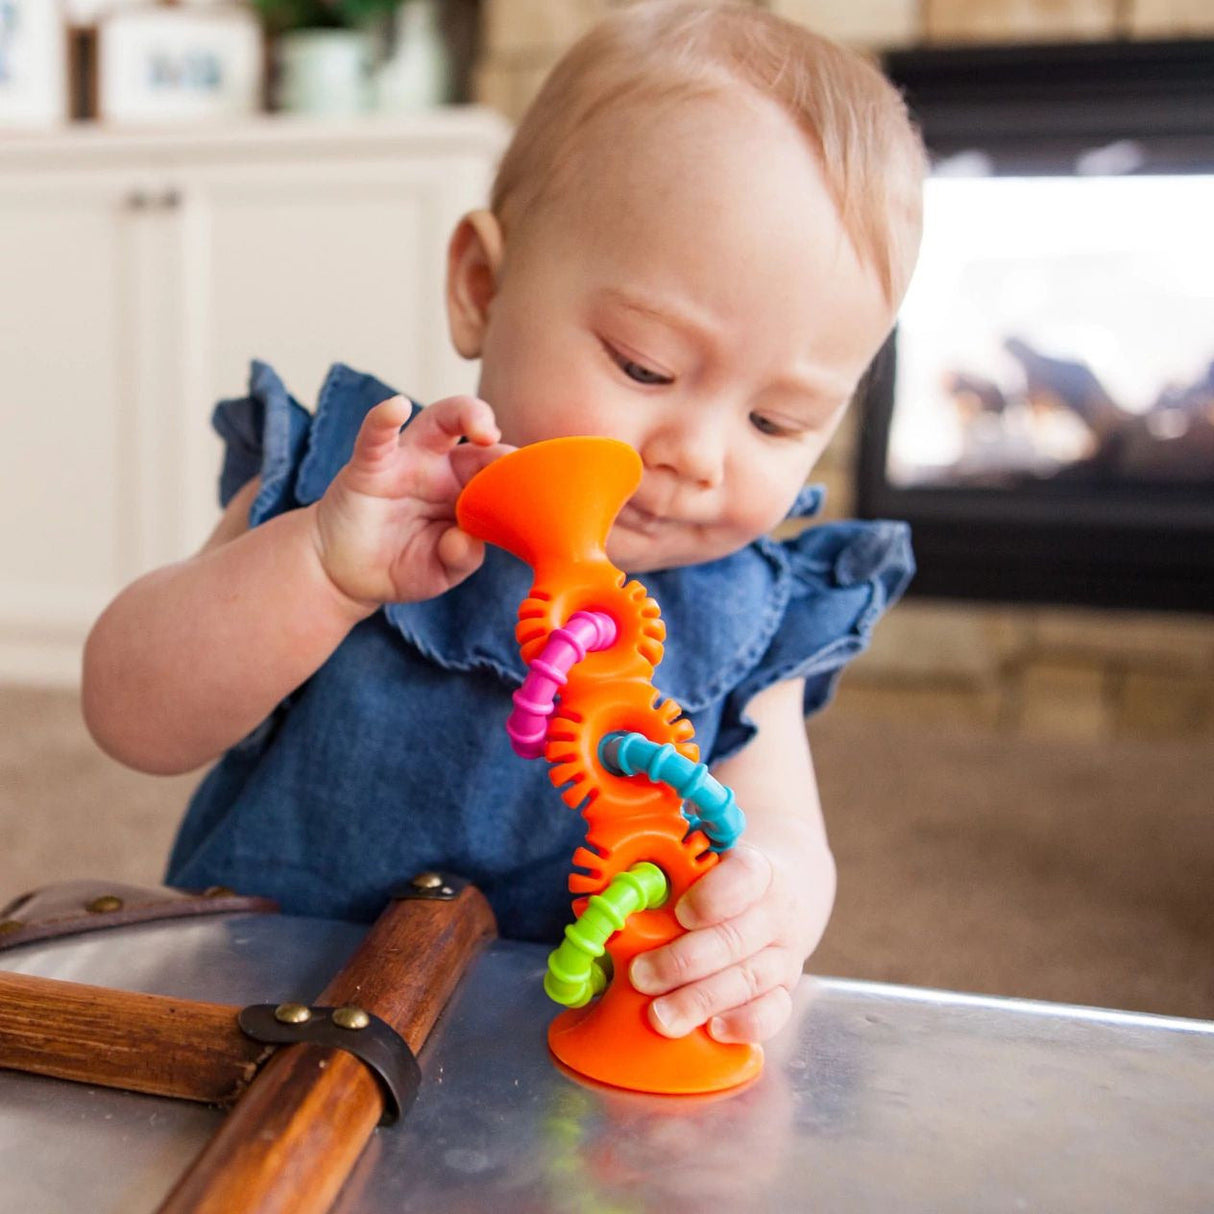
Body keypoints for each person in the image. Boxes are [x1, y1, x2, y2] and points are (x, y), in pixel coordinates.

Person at [82, 0, 925, 1047]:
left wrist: (770, 903)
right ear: (482, 287)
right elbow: (130, 715)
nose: (699, 456)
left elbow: (786, 834)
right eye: (645, 367)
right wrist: (321, 571)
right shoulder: (344, 488)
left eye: (775, 421)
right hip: (262, 1018)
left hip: (552, 1063)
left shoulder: (753, 609)